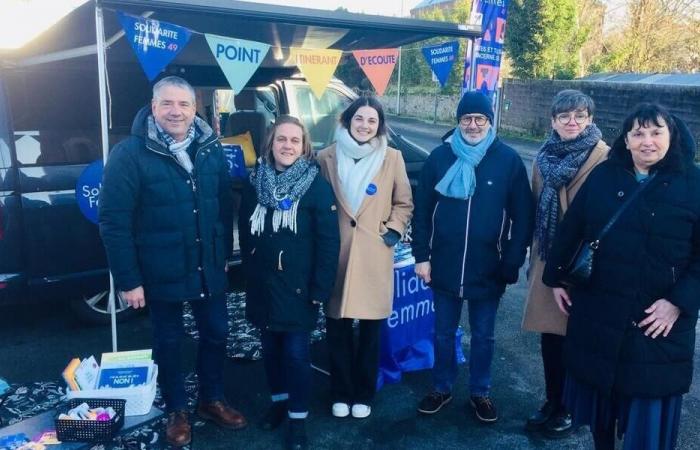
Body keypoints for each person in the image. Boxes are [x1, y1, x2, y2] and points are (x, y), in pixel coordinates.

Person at [99, 76, 246, 447]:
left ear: (194, 108)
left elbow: (223, 205)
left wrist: (225, 254)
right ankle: (177, 409)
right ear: (153, 106)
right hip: (159, 268)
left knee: (217, 332)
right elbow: (114, 222)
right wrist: (129, 280)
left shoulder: (211, 147)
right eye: (167, 103)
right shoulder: (129, 154)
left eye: (183, 104)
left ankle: (211, 399)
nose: (175, 111)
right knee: (168, 340)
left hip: (207, 263)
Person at [542, 104, 700, 450]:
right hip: (600, 311)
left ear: (671, 136)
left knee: (646, 420)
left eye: (656, 132)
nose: (647, 141)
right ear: (625, 140)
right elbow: (571, 229)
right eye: (638, 133)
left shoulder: (694, 183)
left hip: (655, 323)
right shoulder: (605, 175)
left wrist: (678, 302)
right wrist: (554, 278)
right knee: (601, 408)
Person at [413, 91, 534, 423]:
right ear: (458, 122)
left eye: (480, 118)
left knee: (483, 336)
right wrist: (421, 256)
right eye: (466, 118)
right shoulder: (439, 157)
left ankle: (481, 392)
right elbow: (421, 211)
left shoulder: (507, 159)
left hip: (488, 267)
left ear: (489, 122)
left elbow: (523, 215)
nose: (473, 124)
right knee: (442, 333)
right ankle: (441, 387)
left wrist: (512, 259)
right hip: (444, 263)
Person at [238, 115, 340, 450]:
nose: (287, 146)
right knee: (270, 351)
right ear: (271, 144)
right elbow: (245, 229)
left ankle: (298, 419)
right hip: (264, 287)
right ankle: (279, 403)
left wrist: (320, 289)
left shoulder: (315, 186)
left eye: (295, 141)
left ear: (304, 147)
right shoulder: (255, 184)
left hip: (299, 290)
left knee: (296, 355)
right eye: (282, 139)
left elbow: (329, 243)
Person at [316, 95, 413, 419]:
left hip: (373, 255)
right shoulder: (326, 156)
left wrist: (392, 232)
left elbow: (404, 203)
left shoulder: (392, 157)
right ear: (348, 120)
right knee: (338, 328)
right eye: (360, 119)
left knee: (370, 332)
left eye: (372, 121)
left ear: (379, 126)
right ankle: (340, 392)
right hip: (337, 255)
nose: (365, 125)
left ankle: (364, 393)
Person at [521, 90, 609, 438]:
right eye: (564, 116)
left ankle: (572, 407)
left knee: (576, 339)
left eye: (580, 115)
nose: (572, 122)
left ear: (590, 119)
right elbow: (534, 206)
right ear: (553, 122)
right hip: (548, 260)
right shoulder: (543, 157)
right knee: (550, 338)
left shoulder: (604, 158)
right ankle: (553, 400)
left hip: (584, 263)